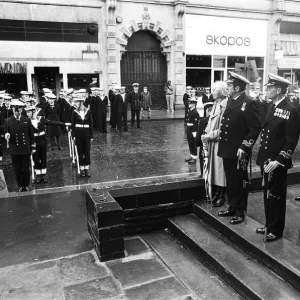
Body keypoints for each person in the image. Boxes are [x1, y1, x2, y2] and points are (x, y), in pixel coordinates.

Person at [256, 74, 300, 241]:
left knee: (276, 196)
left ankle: (276, 229)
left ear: (279, 90)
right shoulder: (271, 106)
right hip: (266, 159)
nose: (266, 90)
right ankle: (269, 224)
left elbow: (291, 140)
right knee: (267, 193)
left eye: (269, 88)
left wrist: (279, 161)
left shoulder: (291, 110)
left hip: (277, 162)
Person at [217, 71, 261, 225]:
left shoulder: (248, 102)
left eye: (229, 85)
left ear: (236, 87)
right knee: (230, 179)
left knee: (240, 181)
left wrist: (245, 146)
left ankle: (240, 211)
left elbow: (255, 129)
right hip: (228, 149)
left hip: (239, 150)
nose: (226, 87)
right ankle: (232, 206)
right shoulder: (230, 100)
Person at [201, 81, 228, 207]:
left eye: (214, 90)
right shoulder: (216, 103)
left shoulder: (225, 105)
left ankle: (222, 194)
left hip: (219, 142)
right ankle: (217, 193)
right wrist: (206, 133)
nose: (212, 92)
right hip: (212, 142)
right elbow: (210, 123)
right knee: (214, 169)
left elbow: (224, 129)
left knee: (220, 170)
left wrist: (210, 136)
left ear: (221, 91)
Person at [25, 105, 66, 183]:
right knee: (36, 158)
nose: (27, 114)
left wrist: (63, 124)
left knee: (43, 157)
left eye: (29, 112)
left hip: (43, 140)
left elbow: (51, 122)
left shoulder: (41, 119)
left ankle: (43, 175)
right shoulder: (27, 121)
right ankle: (38, 175)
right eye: (27, 112)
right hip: (34, 141)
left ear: (34, 112)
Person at [4, 100, 36, 192]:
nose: (17, 111)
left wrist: (33, 147)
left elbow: (31, 135)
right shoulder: (8, 120)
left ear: (22, 110)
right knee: (17, 169)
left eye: (19, 109)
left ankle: (26, 185)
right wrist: (6, 136)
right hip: (14, 148)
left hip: (25, 148)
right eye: (15, 109)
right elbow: (6, 132)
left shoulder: (26, 120)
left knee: (26, 168)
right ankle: (20, 185)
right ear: (12, 109)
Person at [71, 96, 93, 177]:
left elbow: (91, 123)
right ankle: (82, 168)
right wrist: (73, 135)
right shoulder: (74, 112)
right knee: (80, 152)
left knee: (87, 151)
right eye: (76, 102)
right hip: (78, 134)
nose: (76, 103)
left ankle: (86, 168)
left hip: (86, 134)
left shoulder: (88, 111)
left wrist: (91, 135)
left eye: (78, 102)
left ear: (81, 102)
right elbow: (73, 125)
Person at [185, 92, 200, 164]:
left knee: (193, 144)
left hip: (192, 130)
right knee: (190, 143)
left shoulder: (195, 112)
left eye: (190, 103)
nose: (189, 104)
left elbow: (195, 124)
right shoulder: (191, 111)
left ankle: (194, 158)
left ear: (194, 104)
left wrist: (194, 132)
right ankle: (191, 156)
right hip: (189, 129)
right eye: (189, 103)